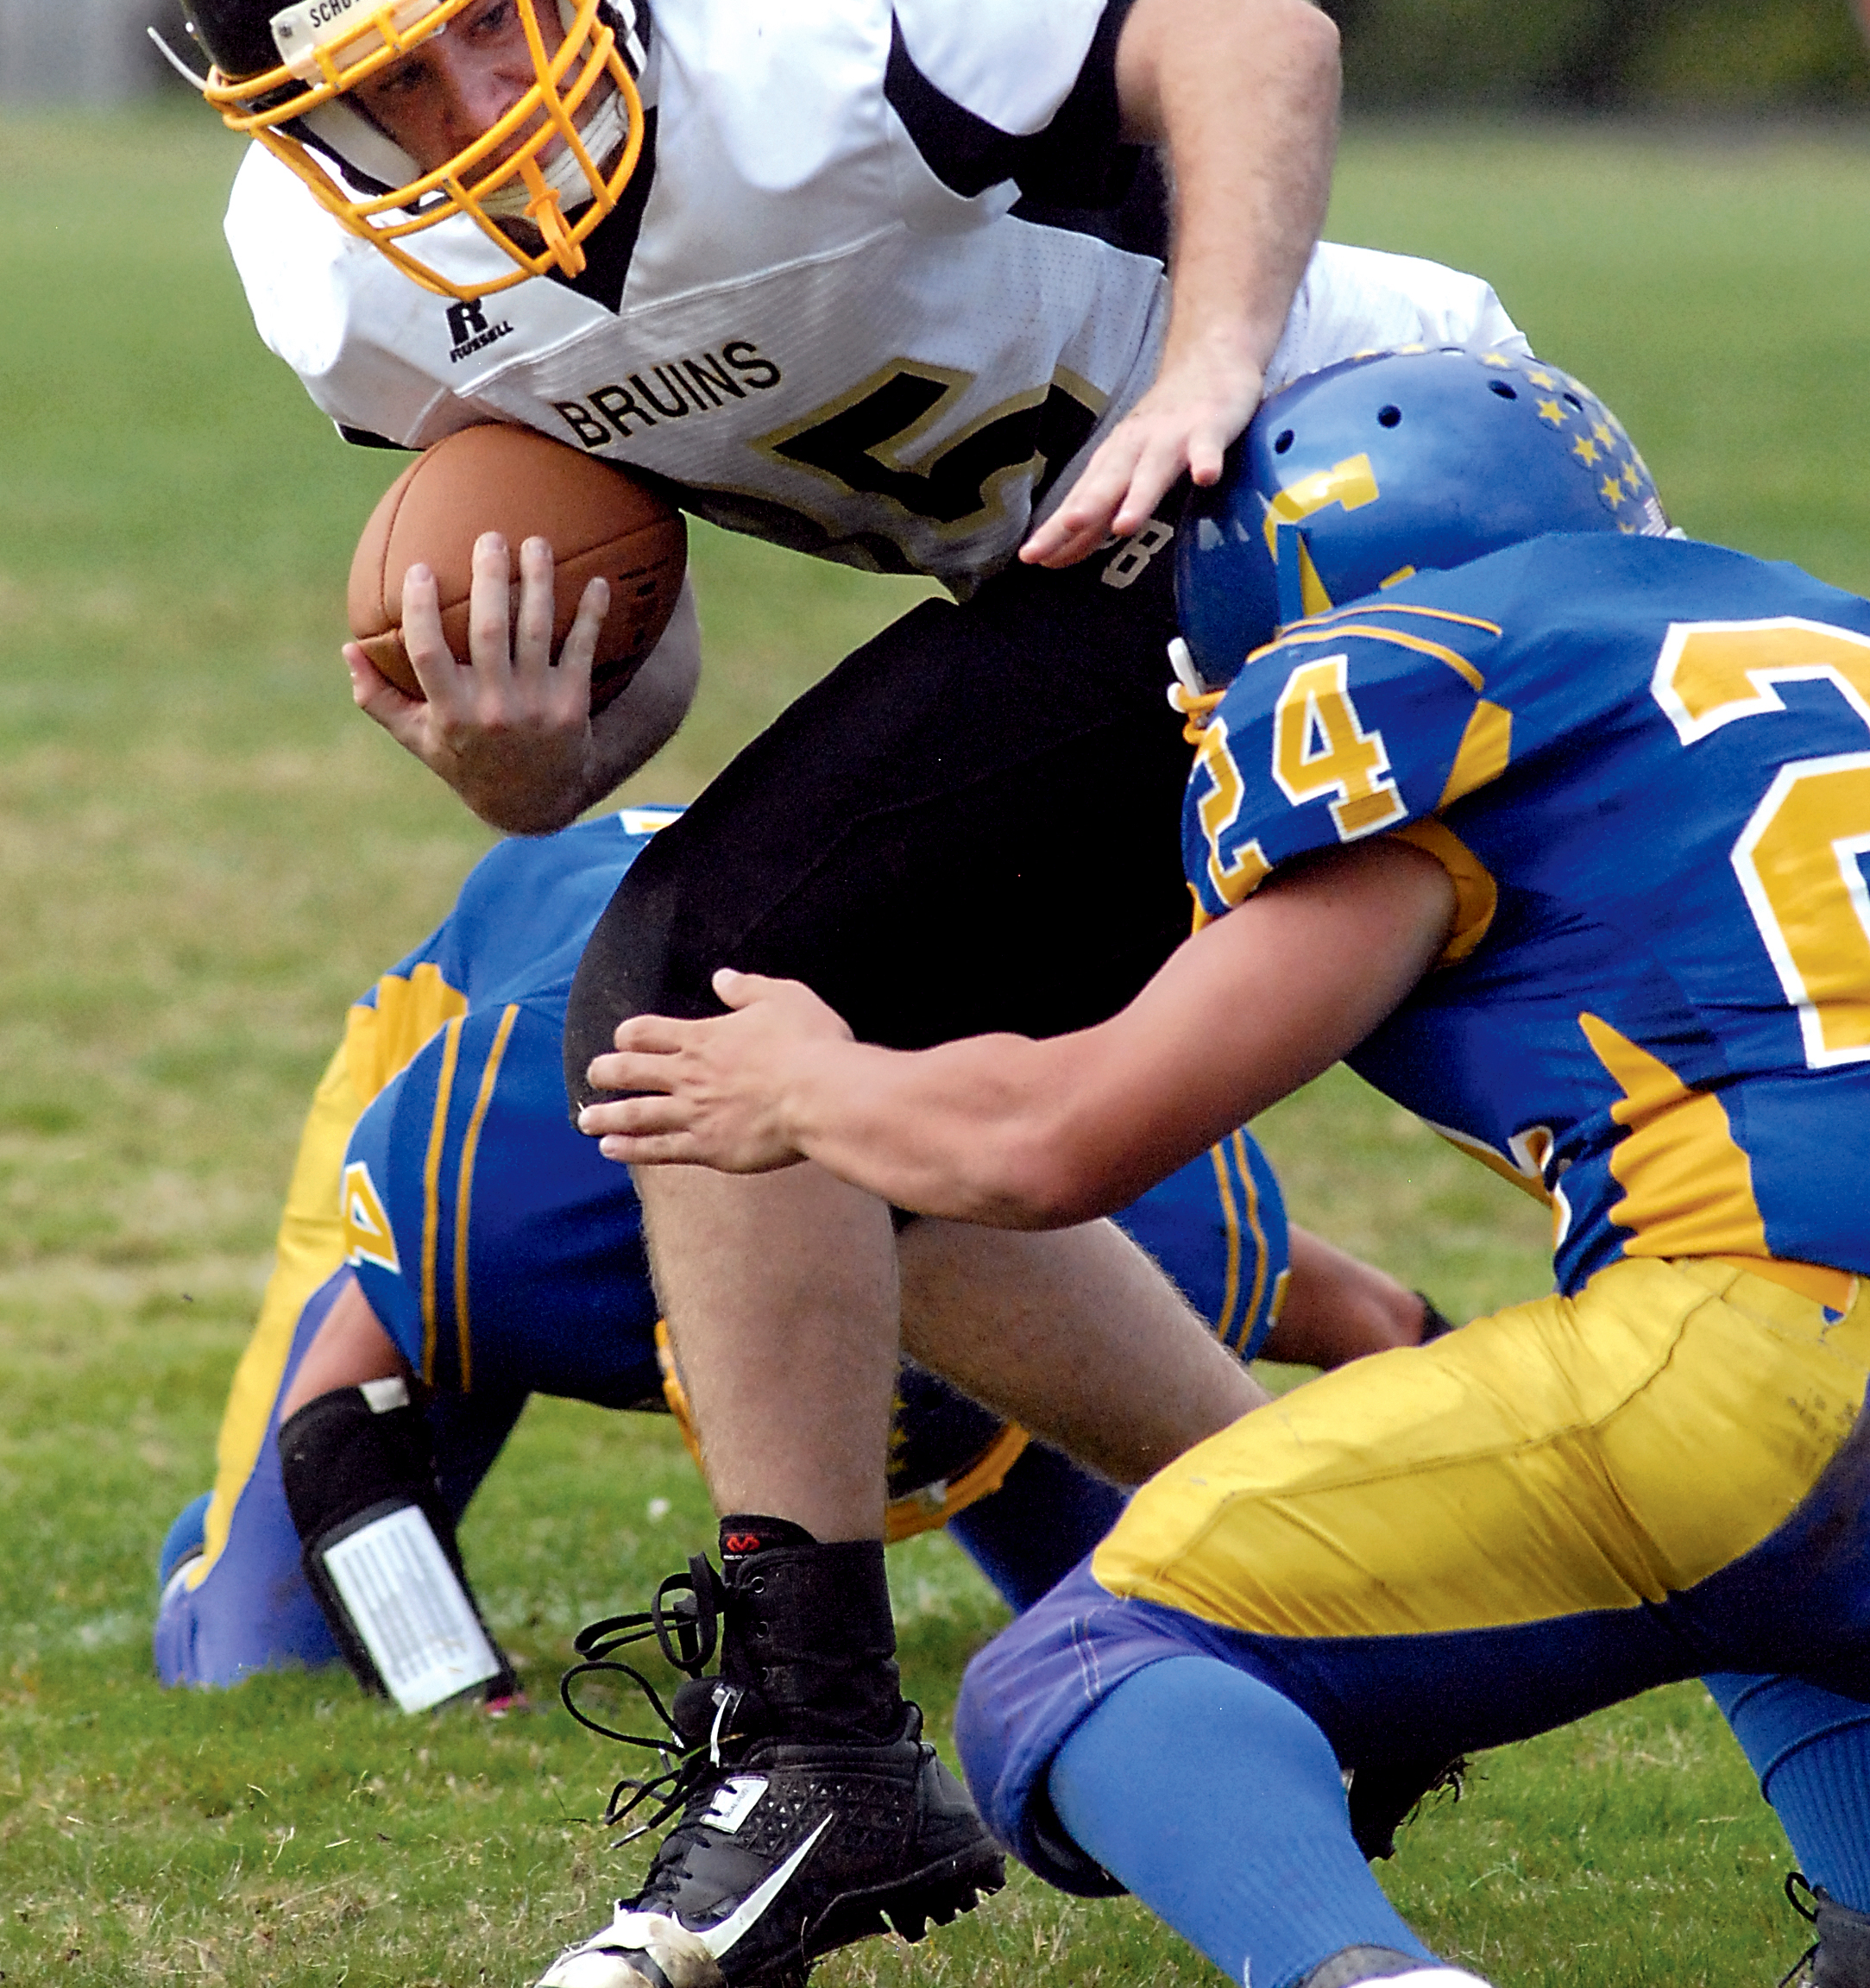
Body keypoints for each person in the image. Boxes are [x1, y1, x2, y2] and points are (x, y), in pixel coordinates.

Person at [167, 0, 1526, 1984]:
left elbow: (1257, 38)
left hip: (1377, 477)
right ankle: (944, 1710)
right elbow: (651, 641)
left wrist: (1204, 366)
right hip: (1075, 599)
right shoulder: (357, 279)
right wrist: (526, 761)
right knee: (728, 1028)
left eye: (481, 28)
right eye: (375, 96)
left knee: (1657, 1126)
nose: (463, 114)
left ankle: (967, 1714)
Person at [589, 343, 1870, 1988]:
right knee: (1783, 1573)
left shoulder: (1428, 676)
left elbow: (1062, 1138)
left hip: (1775, 1342)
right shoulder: (1808, 639)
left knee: (1079, 1679)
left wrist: (813, 1090)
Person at [156, 803, 1443, 1705]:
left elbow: (1385, 1327)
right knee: (259, 1649)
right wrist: (452, 1678)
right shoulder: (503, 1201)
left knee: (1200, 1615)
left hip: (895, 1101)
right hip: (526, 1031)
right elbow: (347, 1390)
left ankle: (988, 1481)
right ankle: (201, 1549)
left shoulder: (1152, 1218)